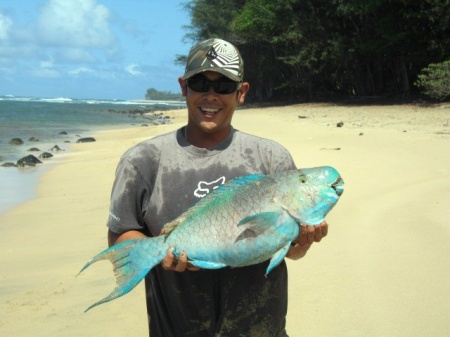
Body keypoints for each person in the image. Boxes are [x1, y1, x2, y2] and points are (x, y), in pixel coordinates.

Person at [106, 38, 328, 337]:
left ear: (241, 93)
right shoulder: (142, 161)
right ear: (184, 87)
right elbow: (121, 236)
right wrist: (160, 253)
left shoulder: (271, 158)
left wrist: (304, 239)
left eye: (223, 87)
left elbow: (291, 252)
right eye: (201, 84)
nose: (211, 96)